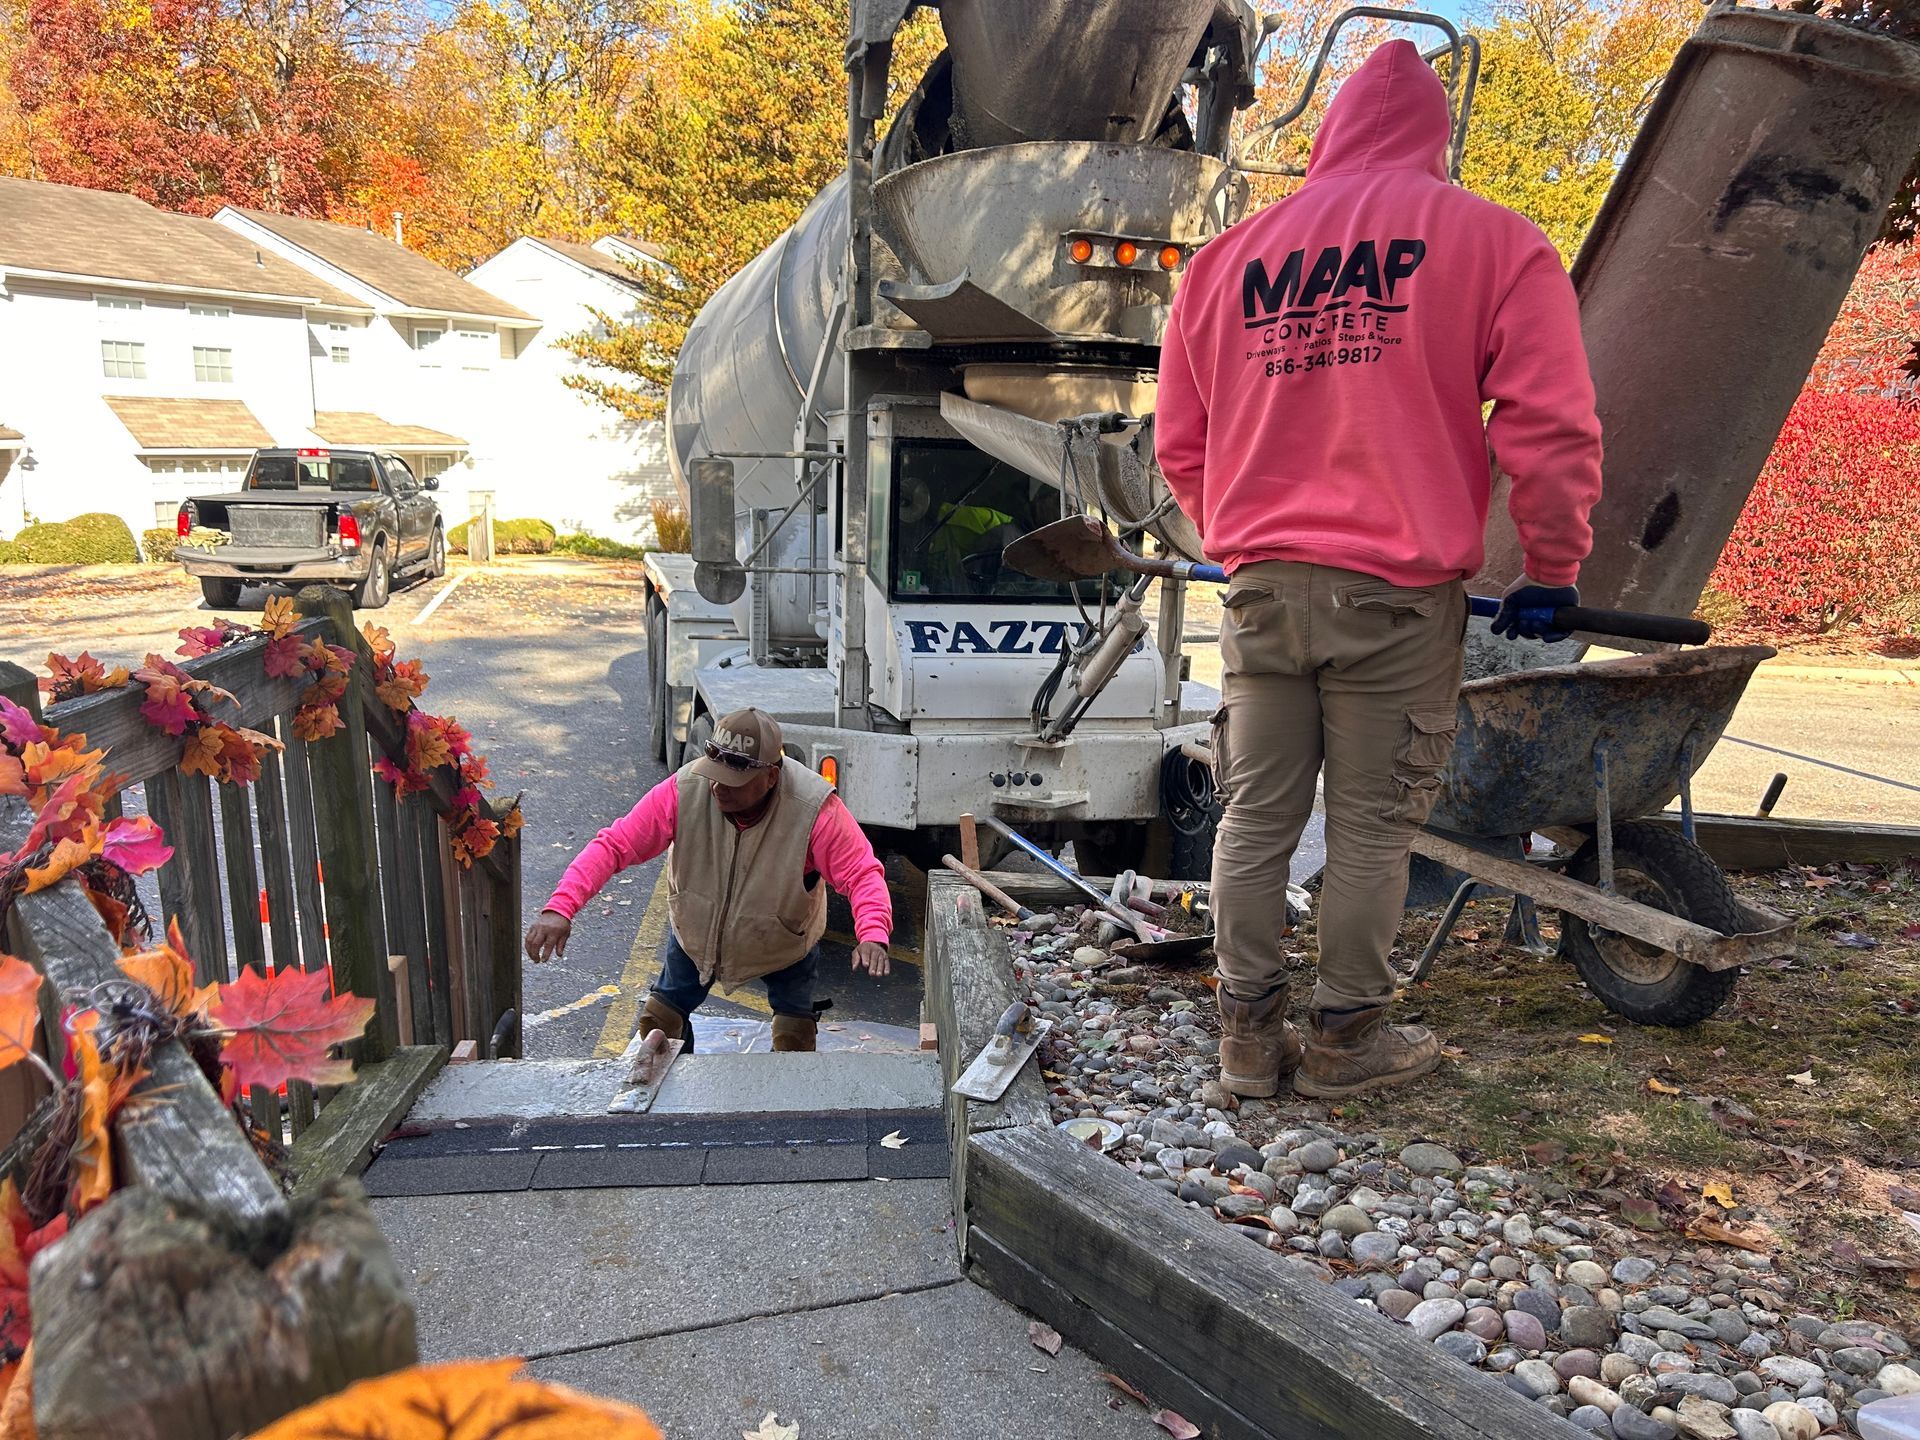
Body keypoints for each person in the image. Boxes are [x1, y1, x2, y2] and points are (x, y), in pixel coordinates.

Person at [1156, 39, 1604, 1099]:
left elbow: (1179, 441)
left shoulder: (1227, 263)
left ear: (1329, 137)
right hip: (1397, 601)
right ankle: (1348, 1045)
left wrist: (1241, 531)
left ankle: (1246, 1044)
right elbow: (1551, 424)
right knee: (1369, 825)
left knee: (1257, 815)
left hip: (1262, 591)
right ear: (1434, 141)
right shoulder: (1492, 242)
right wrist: (1552, 563)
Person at [523, 708, 893, 1052]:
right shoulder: (686, 789)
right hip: (696, 935)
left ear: (770, 777)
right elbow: (614, 845)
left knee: (793, 1038)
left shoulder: (815, 810)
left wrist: (872, 932)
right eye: (714, 774)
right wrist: (560, 907)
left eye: (734, 781)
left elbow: (861, 873)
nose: (718, 787)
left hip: (783, 942)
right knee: (659, 1024)